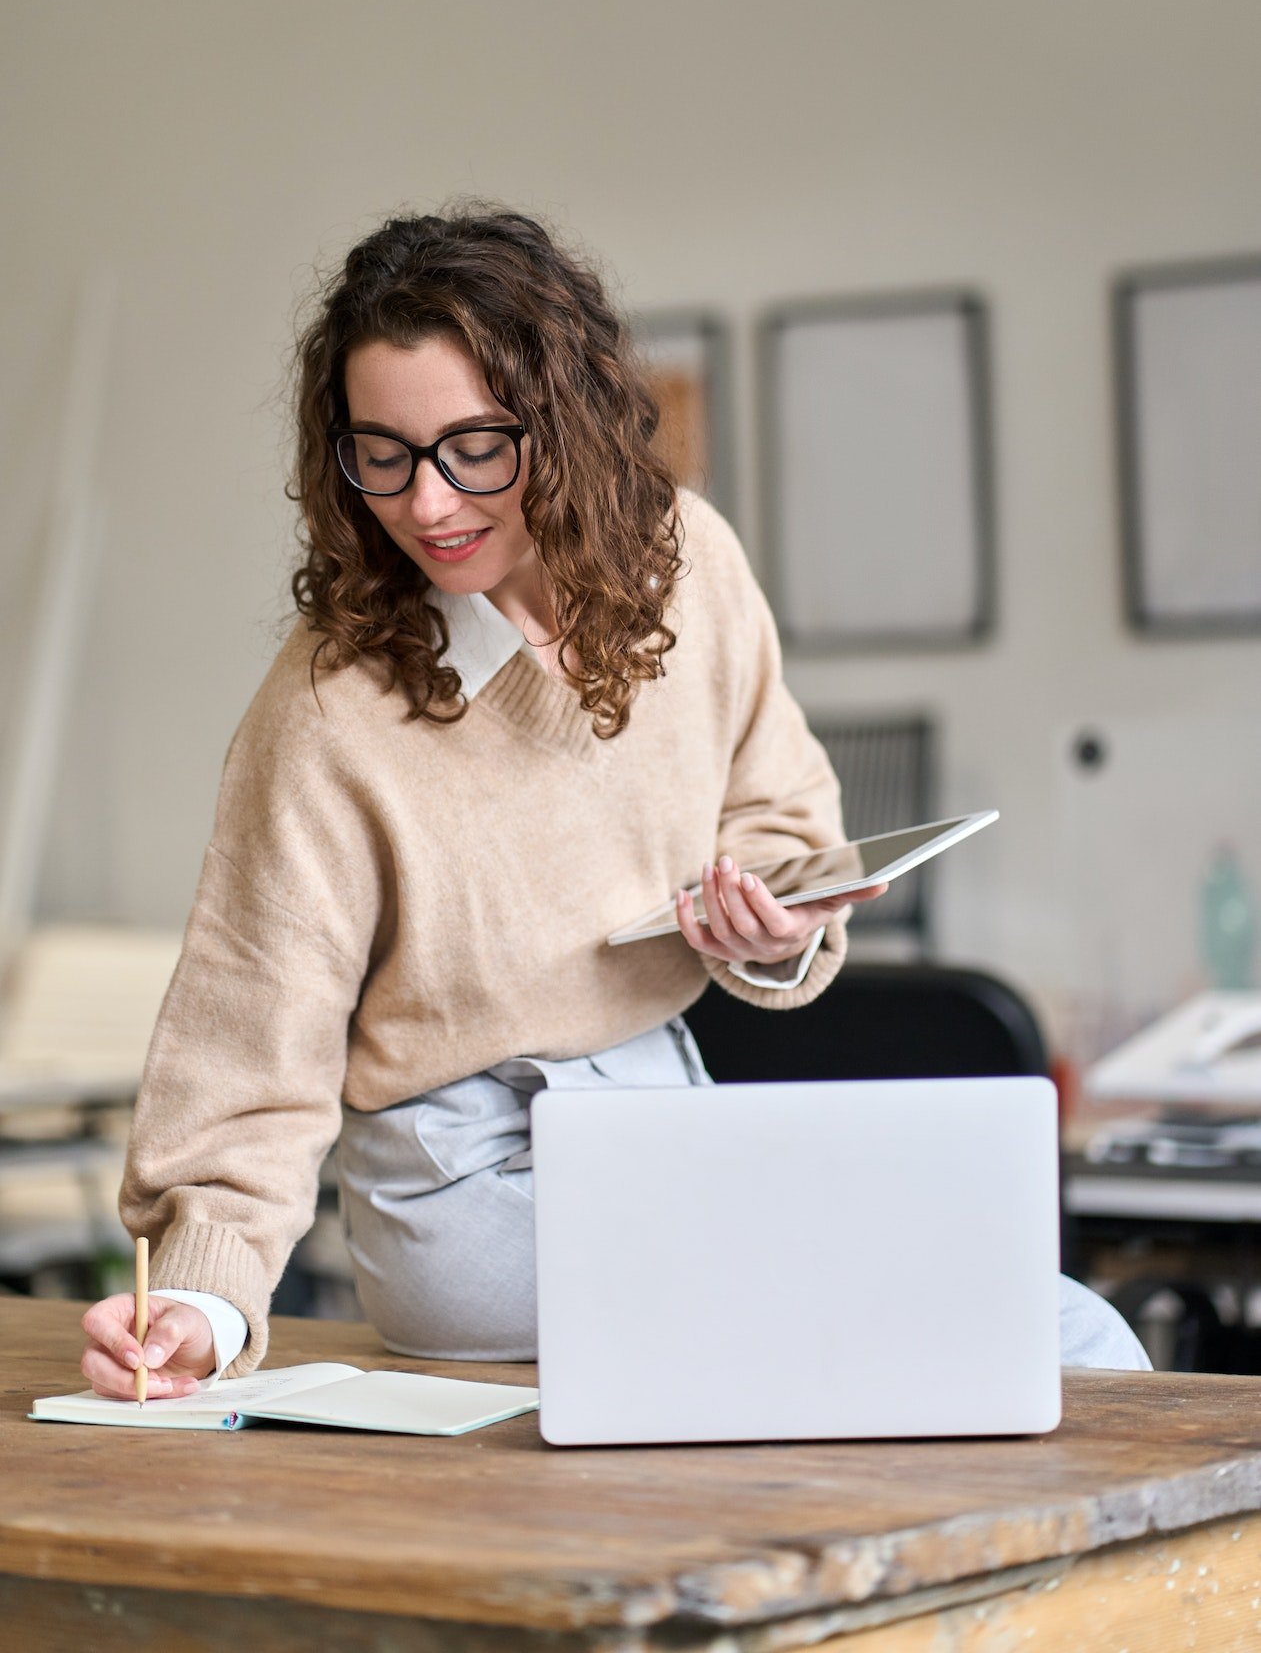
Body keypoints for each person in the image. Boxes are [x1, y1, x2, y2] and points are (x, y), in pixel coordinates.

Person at [79, 205, 1148, 1397]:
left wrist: (775, 923)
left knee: (1067, 1332)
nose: (427, 503)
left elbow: (781, 814)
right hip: (467, 1185)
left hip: (662, 1123)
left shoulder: (689, 563)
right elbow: (251, 1019)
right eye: (380, 452)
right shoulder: (332, 707)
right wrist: (197, 1299)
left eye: (475, 446)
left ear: (566, 418)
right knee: (1026, 1334)